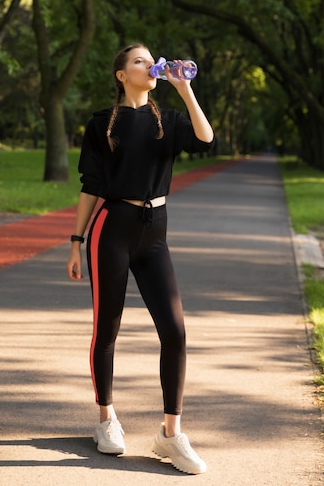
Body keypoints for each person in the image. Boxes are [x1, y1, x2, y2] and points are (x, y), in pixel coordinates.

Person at [66, 43, 214, 475]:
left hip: (155, 235)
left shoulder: (167, 121)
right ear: (121, 75)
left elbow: (206, 140)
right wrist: (76, 241)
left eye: (152, 60)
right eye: (139, 61)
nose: (151, 66)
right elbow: (90, 186)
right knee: (106, 328)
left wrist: (185, 91)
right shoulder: (100, 125)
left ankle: (170, 434)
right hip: (110, 230)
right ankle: (106, 420)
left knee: (175, 331)